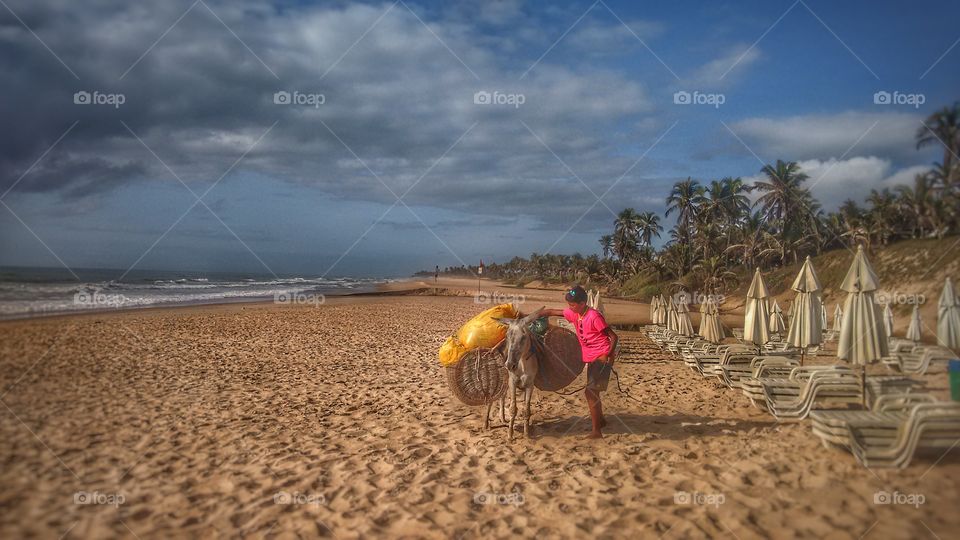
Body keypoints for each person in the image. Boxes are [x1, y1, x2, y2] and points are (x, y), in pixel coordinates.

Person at [536, 285, 618, 439]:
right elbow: (552, 311)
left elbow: (613, 337)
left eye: (573, 305)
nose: (570, 307)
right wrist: (529, 315)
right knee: (594, 391)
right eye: (569, 304)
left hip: (602, 356)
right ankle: (601, 421)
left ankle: (596, 432)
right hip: (591, 358)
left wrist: (608, 354)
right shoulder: (575, 314)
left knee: (590, 392)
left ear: (582, 304)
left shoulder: (594, 316)